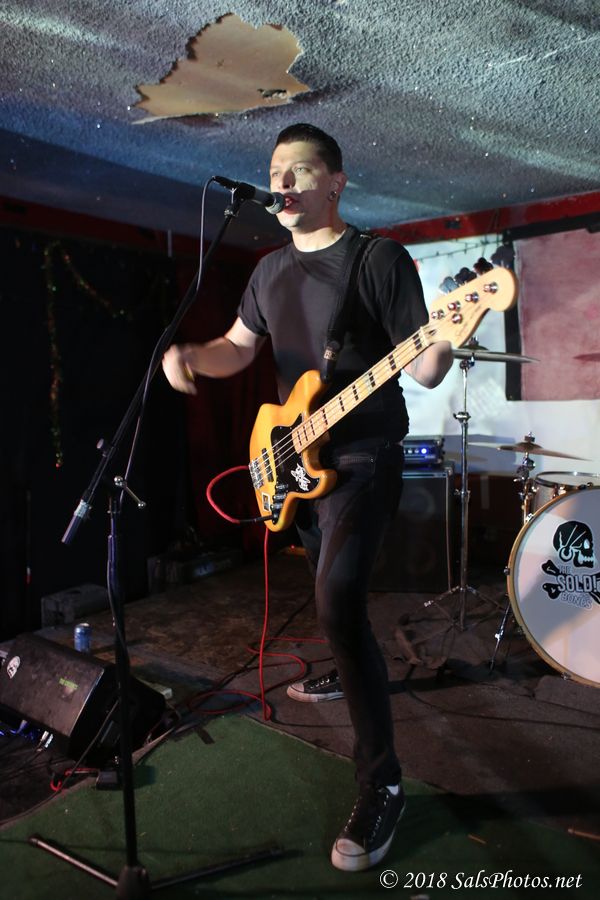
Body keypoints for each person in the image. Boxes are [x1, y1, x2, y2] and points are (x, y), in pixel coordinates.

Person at [162, 123, 453, 872]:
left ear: (335, 183)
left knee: (336, 600)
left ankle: (382, 783)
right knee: (336, 606)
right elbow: (238, 347)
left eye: (298, 170)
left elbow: (423, 368)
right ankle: (349, 671)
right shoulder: (268, 272)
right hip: (295, 462)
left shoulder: (378, 259)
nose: (282, 184)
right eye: (275, 171)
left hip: (363, 457)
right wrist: (190, 355)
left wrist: (443, 341)